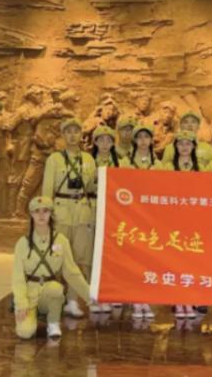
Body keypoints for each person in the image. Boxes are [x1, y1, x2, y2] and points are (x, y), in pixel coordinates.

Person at [12, 196, 91, 340]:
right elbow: (17, 277)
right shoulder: (22, 243)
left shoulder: (61, 241)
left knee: (56, 289)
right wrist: (21, 303)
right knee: (25, 332)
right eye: (37, 211)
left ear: (51, 213)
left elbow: (72, 272)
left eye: (45, 211)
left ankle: (53, 323)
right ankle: (31, 315)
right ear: (31, 214)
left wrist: (90, 296)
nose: (41, 215)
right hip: (29, 293)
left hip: (50, 291)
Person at [41, 117, 96, 318]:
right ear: (63, 135)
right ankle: (55, 297)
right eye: (68, 132)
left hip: (82, 212)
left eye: (76, 131)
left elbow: (91, 188)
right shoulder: (54, 159)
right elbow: (47, 191)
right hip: (61, 213)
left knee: (80, 258)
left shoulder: (89, 159)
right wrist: (45, 217)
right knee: (58, 258)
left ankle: (73, 301)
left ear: (81, 135)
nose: (73, 136)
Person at [157, 130, 212, 319]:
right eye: (180, 144)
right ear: (175, 147)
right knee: (176, 260)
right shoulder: (167, 167)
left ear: (193, 147)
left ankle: (194, 297)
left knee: (194, 260)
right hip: (174, 219)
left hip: (195, 219)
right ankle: (178, 299)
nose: (184, 147)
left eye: (188, 144)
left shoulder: (202, 169)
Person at [88, 125, 128, 314]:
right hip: (94, 208)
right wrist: (95, 179)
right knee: (95, 252)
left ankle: (113, 291)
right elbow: (84, 186)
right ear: (95, 142)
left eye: (109, 140)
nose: (105, 144)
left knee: (113, 252)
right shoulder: (88, 161)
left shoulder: (122, 162)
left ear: (113, 143)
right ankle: (95, 293)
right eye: (101, 140)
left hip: (115, 212)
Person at [127, 123, 157, 320]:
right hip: (131, 217)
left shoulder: (159, 165)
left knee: (148, 260)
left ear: (151, 140)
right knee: (134, 259)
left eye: (147, 137)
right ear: (135, 140)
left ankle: (146, 299)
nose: (143, 141)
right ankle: (136, 299)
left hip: (152, 218)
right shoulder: (125, 163)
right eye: (140, 137)